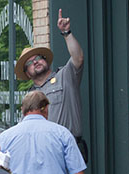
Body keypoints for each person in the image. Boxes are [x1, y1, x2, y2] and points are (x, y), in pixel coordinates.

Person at [13, 9, 86, 159]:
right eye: (30, 63)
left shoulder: (65, 76)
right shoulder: (30, 97)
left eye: (38, 57)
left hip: (68, 148)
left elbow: (78, 58)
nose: (35, 62)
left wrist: (67, 33)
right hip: (42, 153)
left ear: (45, 60)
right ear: (27, 73)